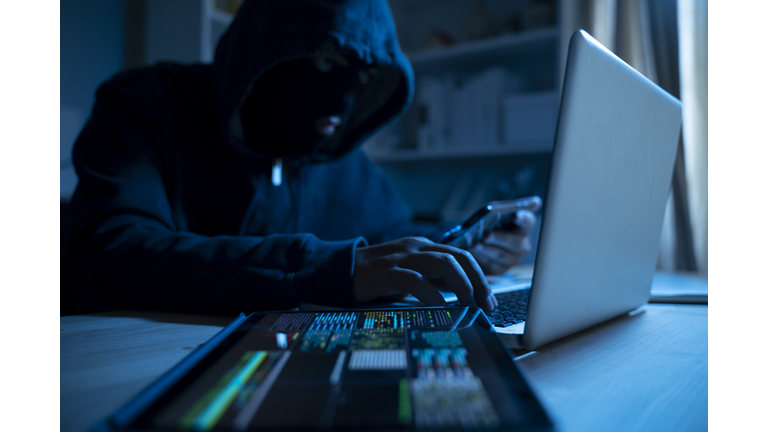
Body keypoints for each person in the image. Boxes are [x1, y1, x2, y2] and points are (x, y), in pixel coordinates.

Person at [61, 0, 538, 315]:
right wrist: (323, 268)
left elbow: (392, 240)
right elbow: (106, 253)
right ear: (261, 50)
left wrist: (462, 251)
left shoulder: (337, 158)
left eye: (365, 76)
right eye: (325, 61)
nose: (342, 103)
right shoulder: (145, 104)